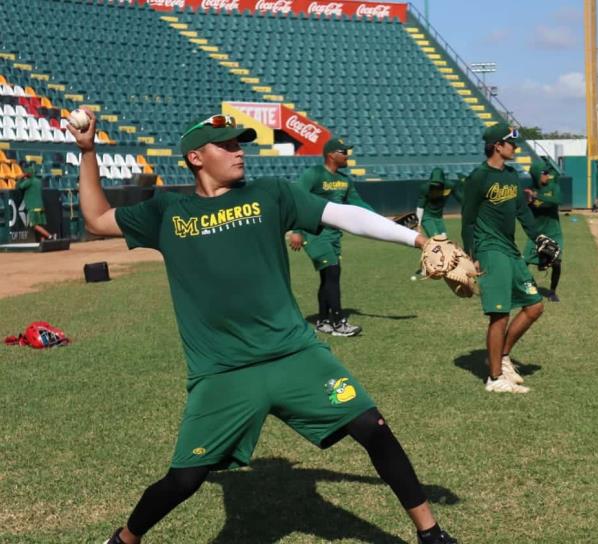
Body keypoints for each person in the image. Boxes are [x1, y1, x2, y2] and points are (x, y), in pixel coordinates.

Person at [67, 110, 457, 544]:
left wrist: (419, 240)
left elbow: (344, 215)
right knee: (184, 480)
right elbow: (96, 220)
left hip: (294, 356)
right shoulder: (167, 211)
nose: (239, 152)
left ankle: (431, 534)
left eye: (241, 144)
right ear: (196, 157)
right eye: (228, 145)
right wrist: (87, 152)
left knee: (373, 428)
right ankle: (124, 539)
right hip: (223, 373)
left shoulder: (271, 194)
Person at [462, 123, 547, 394]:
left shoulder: (512, 175)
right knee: (499, 314)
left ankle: (504, 356)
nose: (515, 147)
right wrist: (471, 255)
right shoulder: (478, 177)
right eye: (511, 143)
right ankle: (495, 377)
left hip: (510, 249)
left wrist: (540, 239)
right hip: (489, 249)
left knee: (534, 306)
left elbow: (523, 213)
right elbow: (468, 220)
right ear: (497, 146)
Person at [288, 138, 370, 337]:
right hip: (315, 234)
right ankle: (339, 323)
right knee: (333, 274)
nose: (347, 155)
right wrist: (296, 230)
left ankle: (323, 321)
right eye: (344, 152)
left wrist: (385, 221)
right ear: (331, 154)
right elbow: (296, 199)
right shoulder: (314, 174)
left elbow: (359, 204)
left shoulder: (345, 180)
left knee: (328, 277)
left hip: (333, 236)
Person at [523, 160, 563, 302]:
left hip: (554, 232)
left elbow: (556, 200)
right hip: (536, 235)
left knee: (557, 263)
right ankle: (529, 288)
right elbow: (527, 208)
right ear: (535, 175)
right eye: (543, 173)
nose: (547, 175)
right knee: (524, 263)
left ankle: (552, 292)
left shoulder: (553, 187)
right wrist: (530, 199)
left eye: (547, 172)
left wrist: (536, 197)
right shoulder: (528, 191)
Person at [416, 167, 460, 238]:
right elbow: (420, 207)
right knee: (436, 238)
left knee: (444, 238)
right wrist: (418, 225)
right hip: (427, 217)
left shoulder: (449, 186)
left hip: (438, 217)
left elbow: (461, 199)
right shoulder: (425, 188)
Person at [15, 163, 53, 241]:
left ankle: (50, 236)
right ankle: (43, 241)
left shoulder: (29, 181)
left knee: (34, 225)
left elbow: (19, 187)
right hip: (41, 207)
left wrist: (21, 178)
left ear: (27, 174)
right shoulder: (38, 181)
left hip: (33, 207)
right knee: (40, 225)